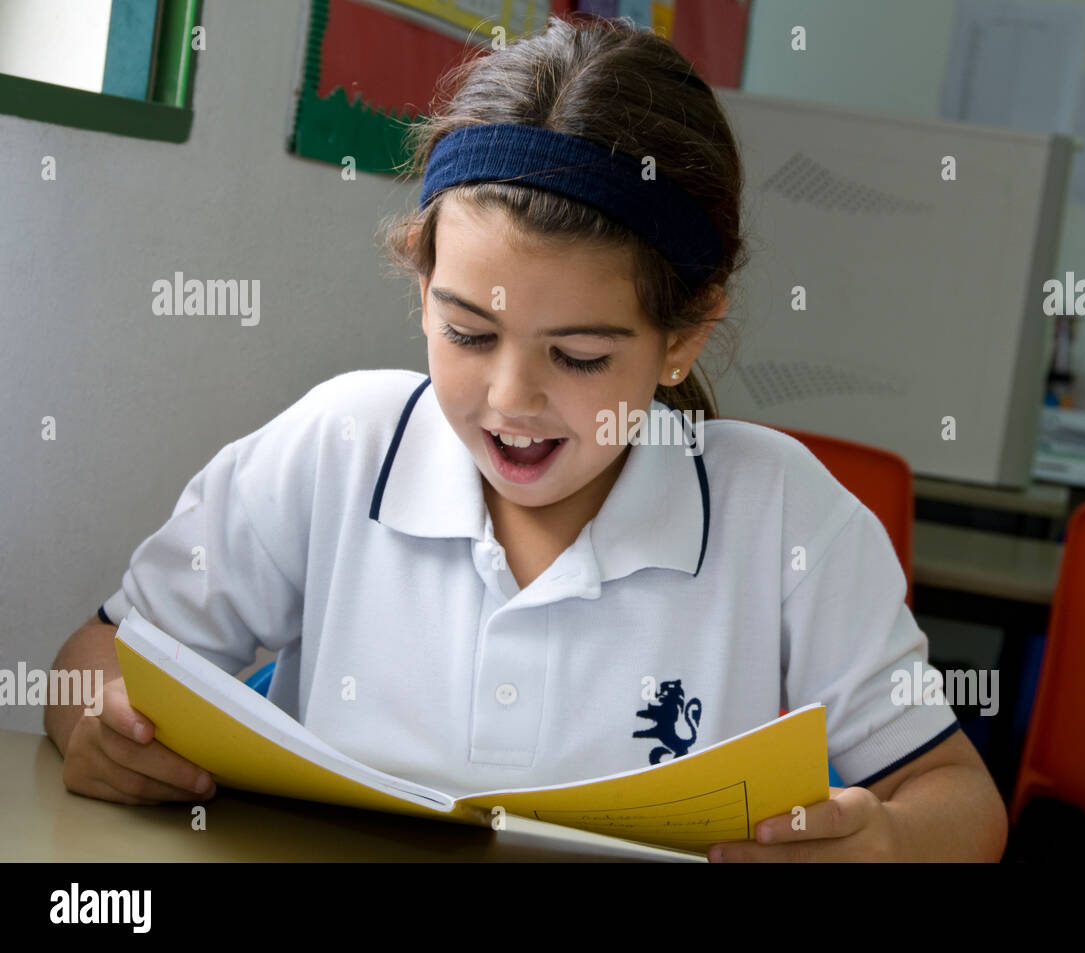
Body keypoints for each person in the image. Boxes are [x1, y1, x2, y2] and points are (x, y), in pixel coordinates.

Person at [45, 15, 1006, 862]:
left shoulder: (782, 514)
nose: (512, 398)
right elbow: (96, 659)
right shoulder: (337, 446)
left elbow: (962, 804)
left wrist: (888, 842)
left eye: (580, 356)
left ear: (684, 336)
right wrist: (96, 723)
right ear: (421, 285)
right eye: (466, 332)